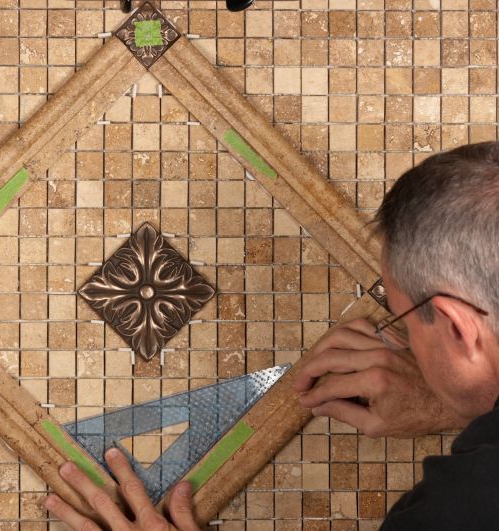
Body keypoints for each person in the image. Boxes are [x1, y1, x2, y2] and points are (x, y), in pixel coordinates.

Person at [44, 141, 499, 530]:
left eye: (404, 320)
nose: (402, 342)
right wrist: (466, 400)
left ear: (459, 327)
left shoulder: (455, 510)